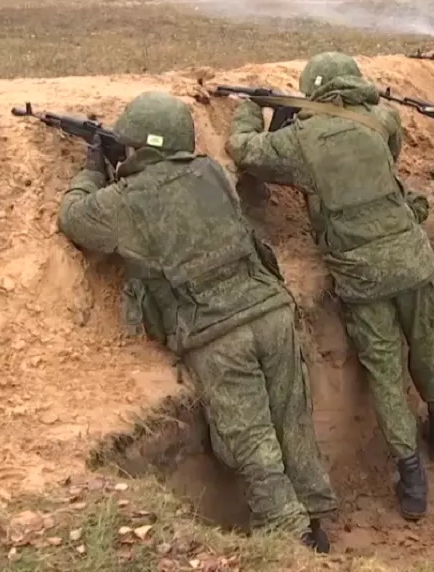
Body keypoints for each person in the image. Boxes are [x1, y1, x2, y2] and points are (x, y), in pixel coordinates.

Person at [57, 90, 337, 552]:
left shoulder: (124, 200)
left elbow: (76, 219)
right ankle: (315, 510)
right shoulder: (211, 172)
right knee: (293, 418)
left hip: (217, 332)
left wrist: (92, 169)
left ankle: (291, 539)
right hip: (271, 310)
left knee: (250, 442)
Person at [225, 52, 434, 522]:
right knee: (429, 345)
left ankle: (412, 477)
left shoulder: (302, 141)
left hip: (362, 273)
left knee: (386, 373)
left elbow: (245, 149)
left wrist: (255, 106)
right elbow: (386, 159)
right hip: (411, 258)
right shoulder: (383, 119)